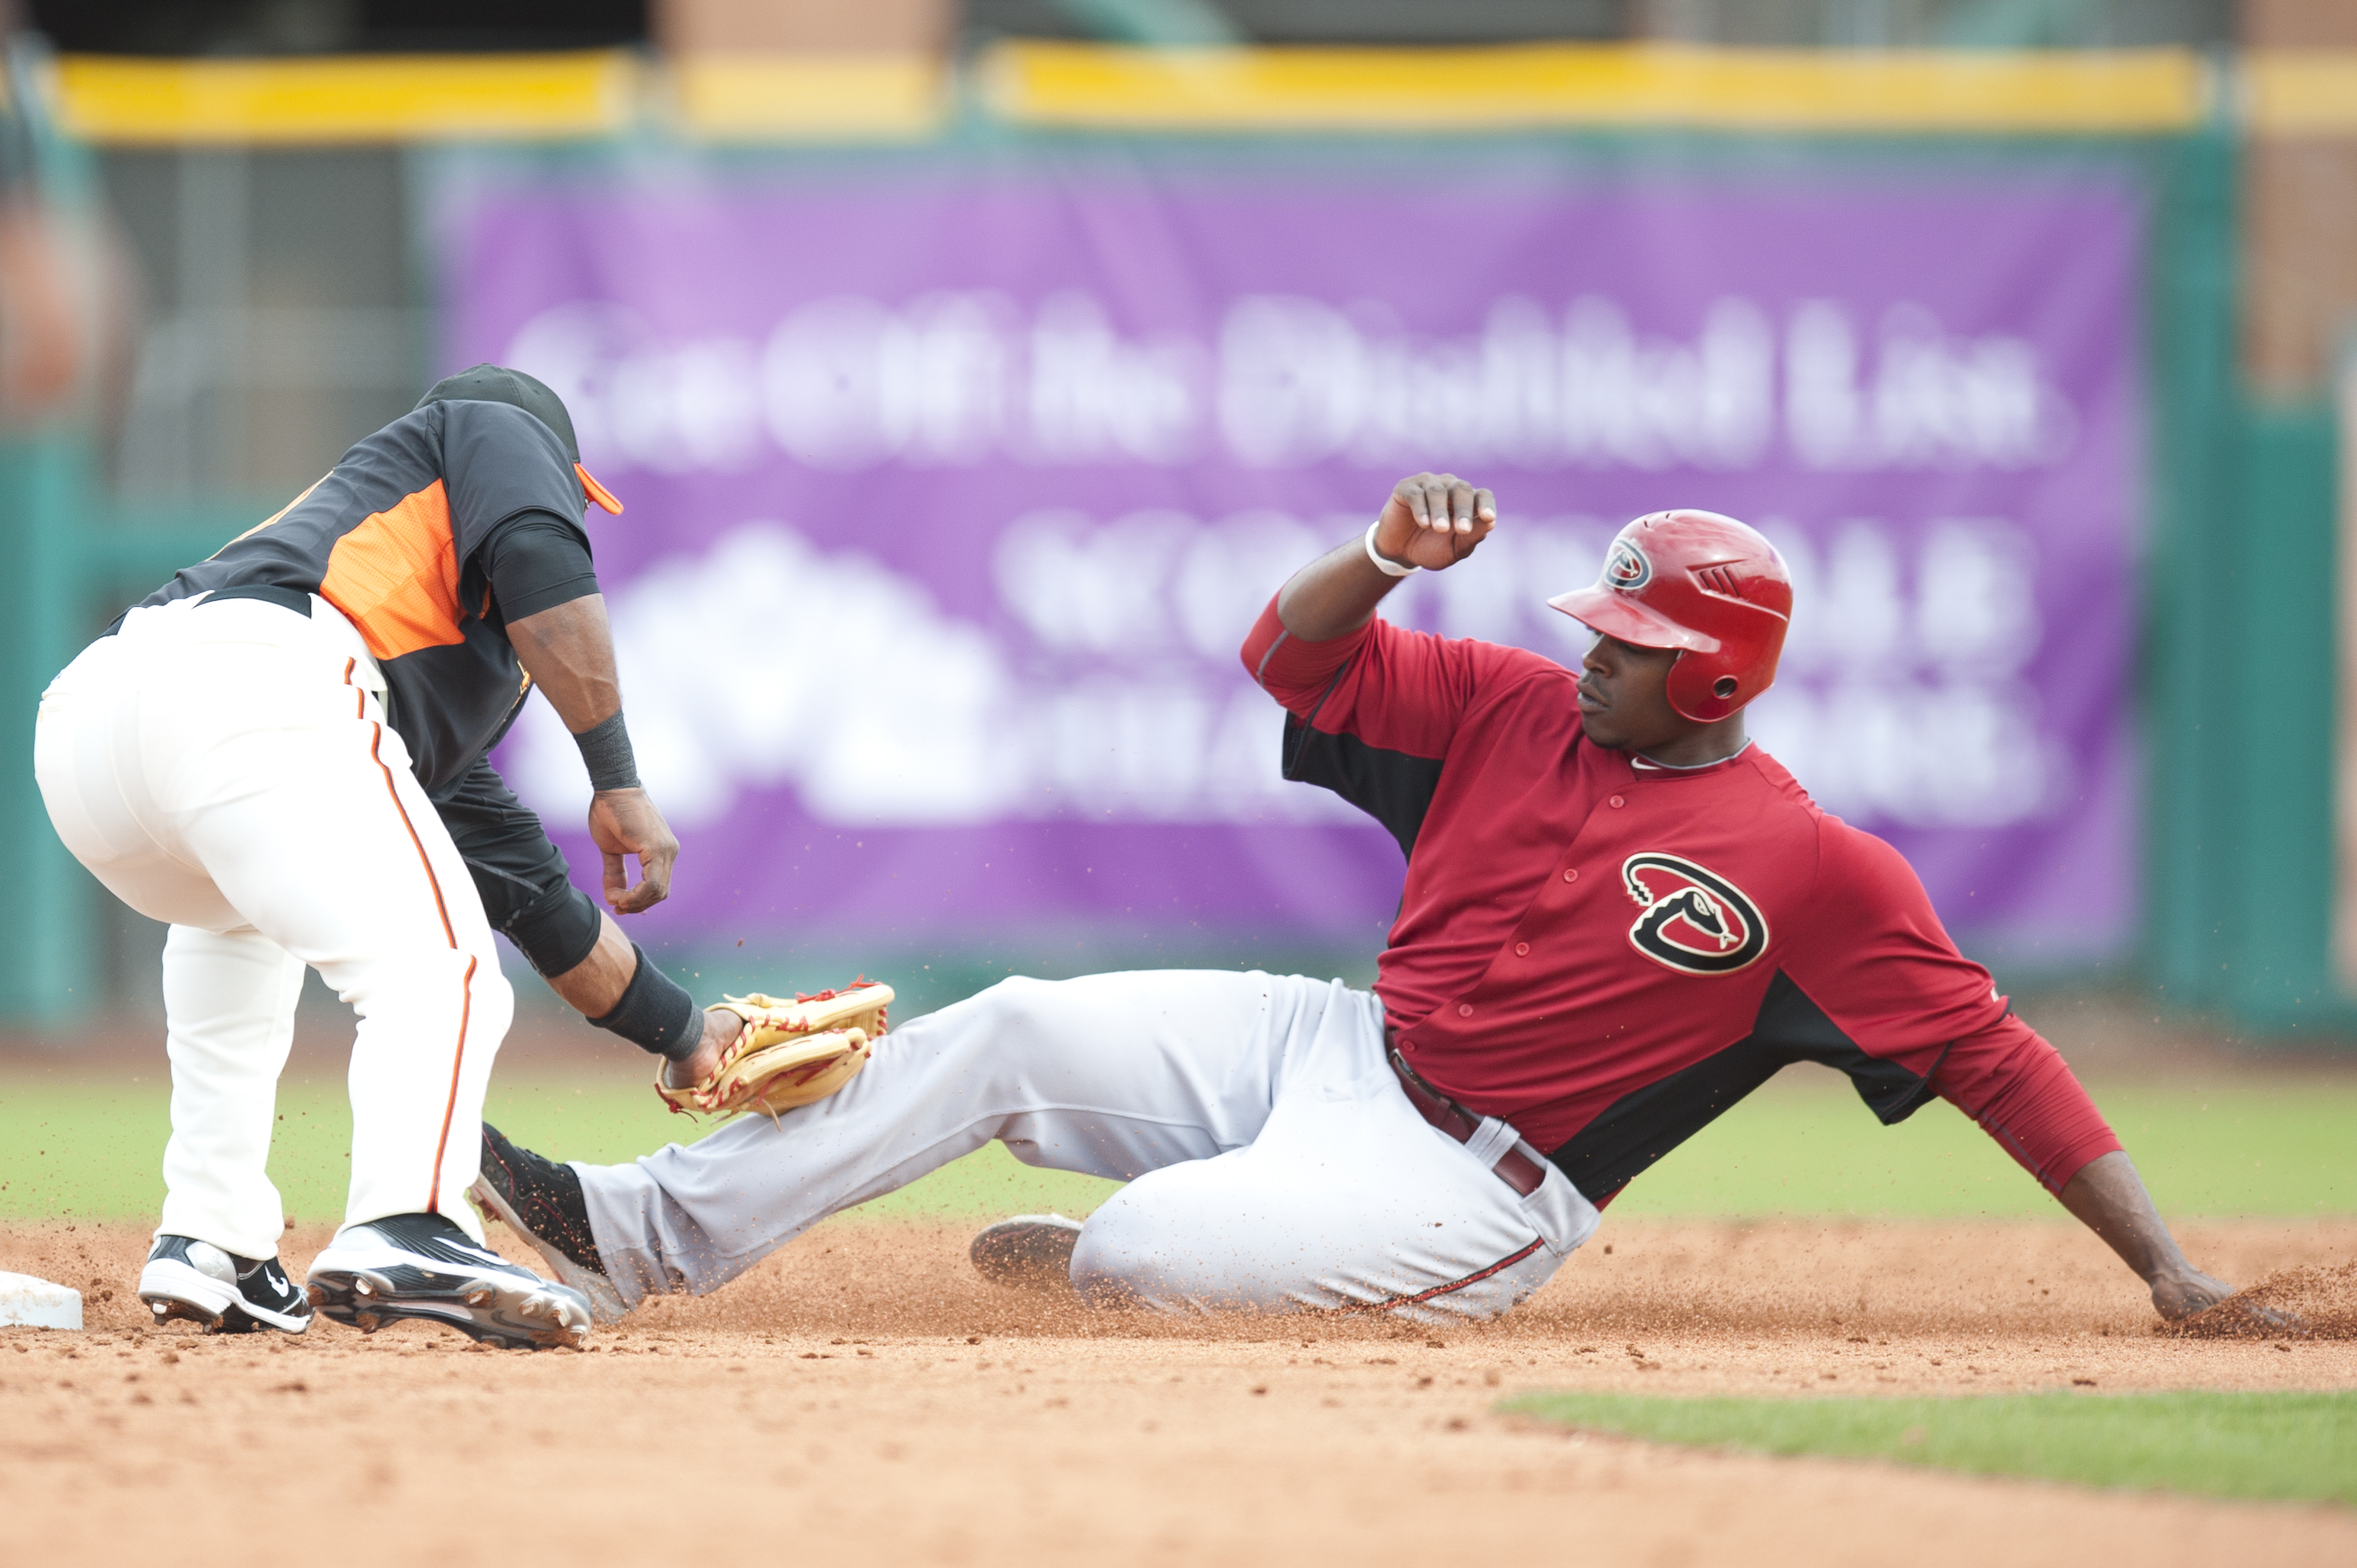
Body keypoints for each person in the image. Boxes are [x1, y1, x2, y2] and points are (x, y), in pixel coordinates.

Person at [471, 474, 2242, 1328]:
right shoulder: (1504, 701)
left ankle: (1163, 1242)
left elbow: (1998, 1055)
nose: (1595, 657)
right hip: (1337, 1045)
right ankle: (632, 1237)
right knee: (1010, 1022)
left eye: (1632, 647)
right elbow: (1284, 654)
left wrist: (2168, 1270)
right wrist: (1385, 560)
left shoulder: (1818, 869)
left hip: (1482, 1177)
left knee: (1145, 1255)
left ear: (1716, 683)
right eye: (1600, 626)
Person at [34, 365, 739, 1347]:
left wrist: (688, 1033)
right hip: (260, 679)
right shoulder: (490, 426)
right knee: (442, 972)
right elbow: (539, 553)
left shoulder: (394, 644)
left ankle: (213, 1239)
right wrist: (616, 777)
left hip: (97, 731)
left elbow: (539, 904)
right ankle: (409, 1223)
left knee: (238, 923)